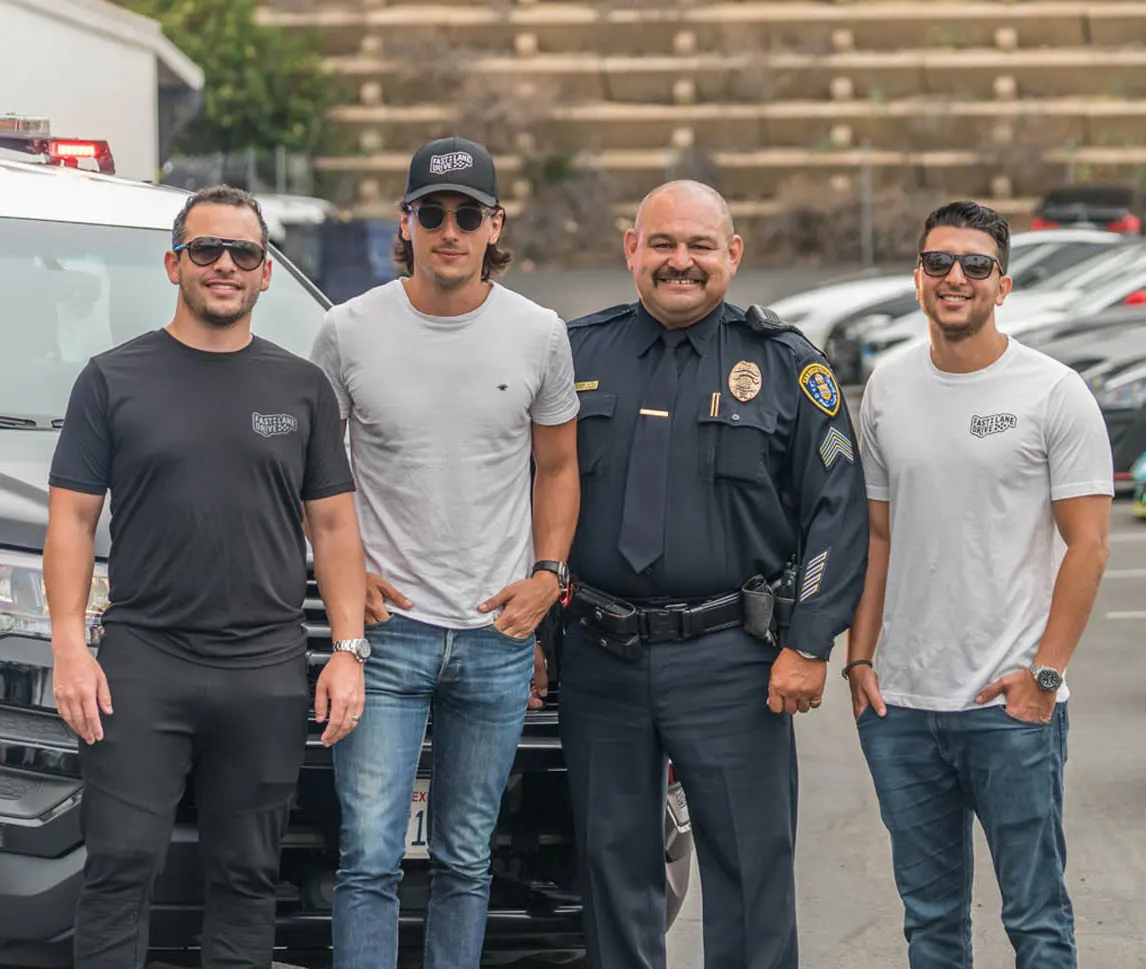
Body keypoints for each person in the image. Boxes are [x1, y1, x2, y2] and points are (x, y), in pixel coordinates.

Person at [44, 185, 369, 969]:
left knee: (247, 877)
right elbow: (72, 521)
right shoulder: (112, 379)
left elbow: (332, 526)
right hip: (142, 664)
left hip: (264, 667)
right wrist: (68, 645)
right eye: (205, 250)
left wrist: (350, 649)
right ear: (174, 264)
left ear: (265, 274)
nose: (224, 265)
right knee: (120, 870)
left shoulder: (301, 389)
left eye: (244, 253)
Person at [558, 179, 870, 969]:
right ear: (631, 249)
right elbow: (521, 492)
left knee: (750, 875)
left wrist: (808, 642)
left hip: (733, 660)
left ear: (733, 254)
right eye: (661, 243)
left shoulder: (788, 366)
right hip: (599, 655)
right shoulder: (571, 354)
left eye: (700, 245)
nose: (680, 262)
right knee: (614, 871)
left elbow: (836, 511)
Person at [309, 135, 580, 969]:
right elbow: (311, 478)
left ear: (496, 225)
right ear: (407, 221)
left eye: (469, 215)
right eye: (433, 213)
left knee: (467, 860)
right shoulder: (346, 331)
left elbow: (560, 466)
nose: (450, 230)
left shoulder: (538, 332)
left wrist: (548, 576)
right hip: (384, 640)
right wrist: (349, 582)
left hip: (496, 638)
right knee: (368, 862)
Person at [847, 200, 1113, 969]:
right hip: (901, 707)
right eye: (938, 262)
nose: (954, 276)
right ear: (917, 277)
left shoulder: (1053, 392)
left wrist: (1045, 675)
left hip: (1010, 707)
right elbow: (879, 534)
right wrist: (861, 658)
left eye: (975, 265)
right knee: (930, 925)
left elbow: (1089, 545)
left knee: (1036, 923)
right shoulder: (888, 389)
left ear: (1004, 285)